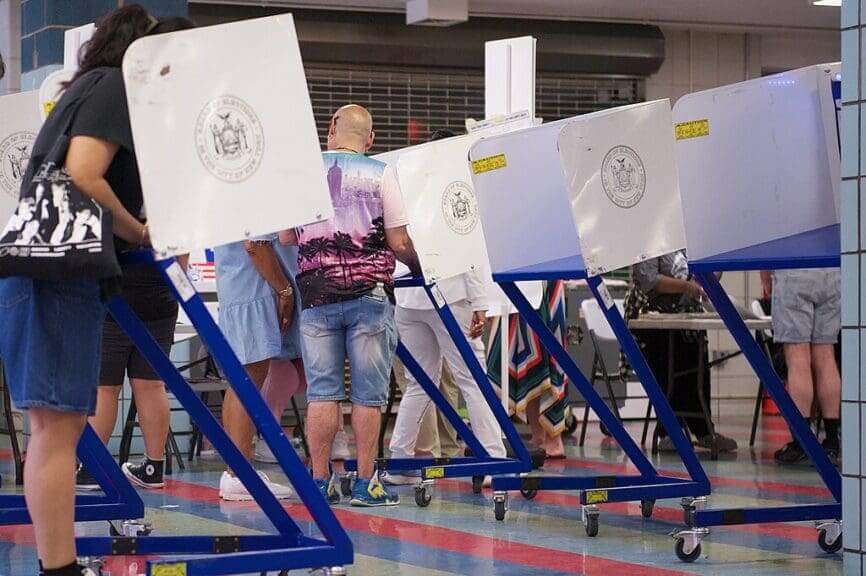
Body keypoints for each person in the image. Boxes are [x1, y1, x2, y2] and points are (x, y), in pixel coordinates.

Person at [0, 7, 189, 575]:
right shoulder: (112, 88)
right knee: (58, 431)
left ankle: (56, 562)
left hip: (40, 266)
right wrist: (141, 230)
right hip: (60, 271)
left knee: (53, 429)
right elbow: (85, 173)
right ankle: (58, 567)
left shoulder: (82, 89)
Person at [75, 16, 195, 494]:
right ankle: (153, 466)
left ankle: (91, 469)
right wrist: (178, 275)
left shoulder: (121, 130)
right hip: (161, 274)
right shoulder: (174, 140)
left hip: (121, 264)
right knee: (151, 379)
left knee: (103, 382)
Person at [281, 104, 421, 507]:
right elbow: (398, 242)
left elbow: (288, 237)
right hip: (369, 299)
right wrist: (420, 263)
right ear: (371, 139)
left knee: (323, 393)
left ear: (331, 130)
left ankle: (320, 482)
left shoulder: (305, 173)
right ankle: (365, 484)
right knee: (368, 396)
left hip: (317, 297)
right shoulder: (382, 173)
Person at [385, 258, 506, 485]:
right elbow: (466, 248)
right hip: (449, 293)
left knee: (419, 384)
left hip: (408, 296)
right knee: (474, 381)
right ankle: (494, 460)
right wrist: (479, 302)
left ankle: (400, 461)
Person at [213, 235, 302, 500]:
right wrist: (283, 289)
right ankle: (239, 474)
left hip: (239, 286)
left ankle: (237, 470)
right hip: (254, 288)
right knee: (248, 381)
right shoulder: (250, 193)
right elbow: (255, 245)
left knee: (240, 382)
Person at [624, 250, 738, 453]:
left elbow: (714, 263)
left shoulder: (690, 238)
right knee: (668, 361)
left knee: (698, 363)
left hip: (687, 311)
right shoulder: (649, 240)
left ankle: (703, 430)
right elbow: (649, 280)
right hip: (653, 316)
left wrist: (701, 278)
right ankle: (670, 431)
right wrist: (687, 286)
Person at [761, 269, 841, 464]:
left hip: (794, 271)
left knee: (798, 358)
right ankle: (831, 442)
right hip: (832, 274)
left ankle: (802, 443)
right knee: (826, 356)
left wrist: (766, 275)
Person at [487, 281, 570, 458]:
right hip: (515, 284)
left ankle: (554, 439)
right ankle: (538, 435)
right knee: (523, 361)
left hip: (543, 281)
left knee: (546, 357)